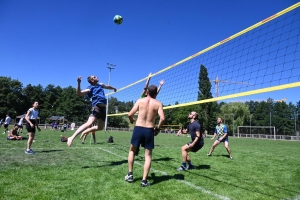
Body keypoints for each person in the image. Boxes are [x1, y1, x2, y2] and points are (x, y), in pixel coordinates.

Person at [125, 84, 165, 187]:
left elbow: (130, 114)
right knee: (148, 156)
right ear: (156, 93)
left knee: (132, 151)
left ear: (147, 92)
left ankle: (130, 175)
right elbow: (163, 119)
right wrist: (158, 129)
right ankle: (144, 181)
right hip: (149, 130)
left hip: (138, 128)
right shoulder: (158, 103)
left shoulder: (140, 100)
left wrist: (132, 120)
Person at [67, 75, 117, 147]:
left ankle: (87, 130)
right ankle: (71, 137)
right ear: (92, 80)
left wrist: (113, 88)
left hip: (103, 109)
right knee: (89, 123)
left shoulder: (100, 84)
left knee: (100, 127)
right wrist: (78, 83)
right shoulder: (89, 88)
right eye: (94, 77)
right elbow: (79, 93)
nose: (97, 77)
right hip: (96, 107)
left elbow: (107, 86)